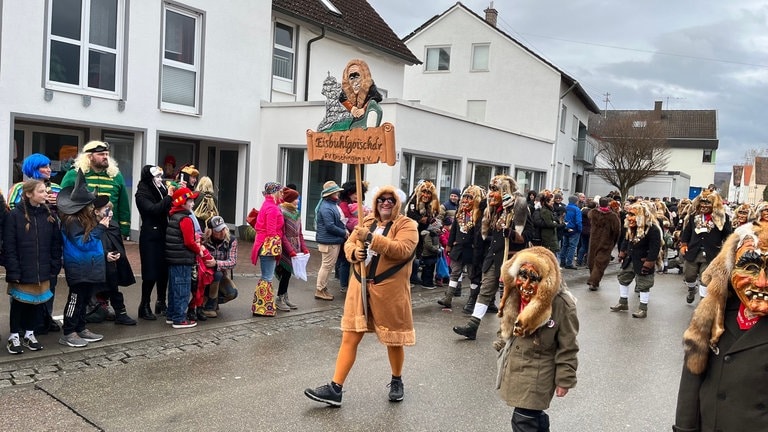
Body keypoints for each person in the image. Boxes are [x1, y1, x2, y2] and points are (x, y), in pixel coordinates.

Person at [304, 186, 418, 407]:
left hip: (389, 292)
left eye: (390, 200)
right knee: (350, 336)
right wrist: (353, 253)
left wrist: (372, 240)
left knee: (393, 340)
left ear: (397, 203)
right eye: (381, 199)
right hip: (360, 288)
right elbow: (349, 243)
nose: (386, 203)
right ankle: (335, 388)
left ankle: (396, 380)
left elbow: (403, 249)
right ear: (375, 202)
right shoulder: (365, 222)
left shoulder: (407, 225)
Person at [673, 221, 768, 431]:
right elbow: (691, 379)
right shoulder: (714, 313)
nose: (761, 282)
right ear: (731, 266)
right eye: (750, 267)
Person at [495, 246, 579, 432]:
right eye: (522, 275)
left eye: (533, 278)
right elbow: (507, 325)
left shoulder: (561, 305)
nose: (525, 284)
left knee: (523, 419)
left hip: (539, 373)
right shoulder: (514, 296)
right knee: (531, 417)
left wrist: (565, 378)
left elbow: (568, 346)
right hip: (516, 366)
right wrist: (502, 339)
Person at [453, 175, 533, 340]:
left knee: (510, 296)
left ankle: (508, 331)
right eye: (490, 189)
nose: (491, 193)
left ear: (505, 191)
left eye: (495, 190)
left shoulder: (520, 208)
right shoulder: (494, 209)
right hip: (493, 257)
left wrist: (511, 233)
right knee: (485, 291)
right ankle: (472, 326)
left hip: (511, 259)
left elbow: (529, 235)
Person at [3, 180, 62, 354]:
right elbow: (9, 246)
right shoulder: (14, 215)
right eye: (42, 192)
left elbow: (55, 244)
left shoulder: (49, 215)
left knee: (36, 303)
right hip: (22, 270)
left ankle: (30, 334)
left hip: (42, 270)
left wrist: (54, 264)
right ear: (29, 194)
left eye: (46, 191)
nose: (46, 195)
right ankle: (14, 336)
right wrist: (13, 270)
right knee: (19, 304)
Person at [57, 170, 110, 347]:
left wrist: (105, 255)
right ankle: (69, 331)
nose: (91, 206)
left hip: (90, 266)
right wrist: (100, 228)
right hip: (78, 267)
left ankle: (80, 328)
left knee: (84, 299)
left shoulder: (87, 219)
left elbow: (93, 244)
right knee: (75, 299)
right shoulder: (72, 221)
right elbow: (83, 243)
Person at [60, 141, 131, 237]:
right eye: (101, 154)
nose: (105, 157)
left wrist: (124, 229)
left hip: (110, 228)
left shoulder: (116, 176)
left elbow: (123, 204)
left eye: (106, 154)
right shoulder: (73, 174)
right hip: (83, 228)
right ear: (89, 157)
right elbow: (64, 202)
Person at [609, 202, 662, 318]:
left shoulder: (653, 229)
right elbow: (626, 240)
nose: (628, 217)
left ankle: (643, 309)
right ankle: (623, 303)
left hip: (643, 260)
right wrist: (622, 252)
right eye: (628, 214)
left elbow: (655, 248)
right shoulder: (631, 227)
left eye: (632, 214)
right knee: (623, 278)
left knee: (644, 284)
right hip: (630, 258)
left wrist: (649, 262)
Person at [135, 165, 174, 319]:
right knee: (150, 272)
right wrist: (169, 197)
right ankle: (144, 305)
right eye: (156, 177)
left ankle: (161, 302)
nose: (160, 180)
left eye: (160, 177)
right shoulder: (142, 193)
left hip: (164, 234)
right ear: (149, 178)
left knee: (163, 271)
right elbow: (153, 209)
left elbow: (168, 206)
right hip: (150, 236)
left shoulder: (162, 189)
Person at [166, 187, 209, 329]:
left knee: (173, 288)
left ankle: (171, 315)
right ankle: (179, 318)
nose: (192, 203)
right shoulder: (185, 219)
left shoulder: (174, 216)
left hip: (174, 258)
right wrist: (199, 250)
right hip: (183, 258)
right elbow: (189, 241)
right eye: (190, 200)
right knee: (182, 289)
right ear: (183, 203)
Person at [679, 190, 732, 304]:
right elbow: (687, 232)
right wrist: (683, 244)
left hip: (711, 253)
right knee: (689, 276)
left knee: (705, 279)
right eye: (702, 202)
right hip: (693, 251)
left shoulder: (723, 218)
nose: (704, 205)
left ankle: (702, 302)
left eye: (707, 203)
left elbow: (728, 235)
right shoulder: (694, 216)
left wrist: (726, 251)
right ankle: (692, 289)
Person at [438, 185, 484, 310]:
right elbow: (453, 230)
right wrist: (448, 245)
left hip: (472, 250)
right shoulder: (460, 212)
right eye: (464, 197)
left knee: (472, 275)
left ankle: (472, 300)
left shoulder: (479, 214)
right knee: (455, 273)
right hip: (458, 248)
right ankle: (448, 298)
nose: (465, 201)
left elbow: (480, 234)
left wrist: (477, 249)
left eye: (469, 198)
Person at [94, 200, 137, 325]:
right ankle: (96, 310)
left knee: (114, 287)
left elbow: (117, 243)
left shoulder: (113, 225)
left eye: (111, 209)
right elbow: (92, 244)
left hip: (112, 264)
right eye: (107, 210)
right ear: (96, 212)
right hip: (97, 264)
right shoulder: (92, 226)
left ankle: (120, 313)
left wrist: (118, 254)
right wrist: (104, 254)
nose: (111, 213)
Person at [251, 182, 286, 315]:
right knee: (267, 277)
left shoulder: (269, 205)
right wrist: (276, 246)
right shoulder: (272, 208)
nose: (282, 194)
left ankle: (262, 306)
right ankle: (263, 308)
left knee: (266, 276)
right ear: (275, 192)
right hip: (267, 245)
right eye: (281, 191)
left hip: (263, 244)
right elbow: (271, 231)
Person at [274, 188, 309, 312]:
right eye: (296, 199)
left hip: (295, 247)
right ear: (289, 200)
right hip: (285, 248)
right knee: (285, 273)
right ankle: (279, 298)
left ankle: (284, 296)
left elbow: (299, 233)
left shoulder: (297, 213)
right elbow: (282, 234)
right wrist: (289, 250)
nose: (298, 201)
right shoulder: (282, 212)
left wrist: (304, 247)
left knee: (288, 274)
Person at [325, 58, 383, 131]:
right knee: (334, 127)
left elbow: (376, 98)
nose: (355, 82)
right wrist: (352, 108)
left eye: (357, 77)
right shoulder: (347, 90)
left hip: (364, 121)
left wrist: (364, 109)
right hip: (353, 121)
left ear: (364, 76)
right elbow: (342, 98)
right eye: (351, 78)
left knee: (373, 105)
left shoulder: (370, 87)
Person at [405, 180, 443, 286]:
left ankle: (413, 276)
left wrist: (432, 221)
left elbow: (434, 214)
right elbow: (410, 214)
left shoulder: (431, 203)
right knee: (409, 254)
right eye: (424, 192)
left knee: (418, 254)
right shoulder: (414, 200)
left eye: (428, 193)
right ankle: (407, 277)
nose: (425, 195)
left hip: (422, 232)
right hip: (411, 231)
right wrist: (422, 219)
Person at [314, 181, 346, 301]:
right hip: (329, 241)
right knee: (327, 266)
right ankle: (320, 289)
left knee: (328, 265)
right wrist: (344, 233)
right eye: (336, 192)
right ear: (330, 194)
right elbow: (330, 226)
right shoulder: (327, 207)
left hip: (332, 240)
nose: (338, 193)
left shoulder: (330, 204)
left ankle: (322, 288)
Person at [201, 215, 238, 317]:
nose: (222, 232)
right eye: (218, 230)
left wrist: (216, 263)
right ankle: (208, 306)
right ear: (211, 231)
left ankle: (211, 301)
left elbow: (233, 262)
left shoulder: (231, 240)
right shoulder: (204, 240)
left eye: (223, 228)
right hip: (204, 275)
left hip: (221, 274)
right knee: (216, 274)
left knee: (232, 293)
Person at [338, 181, 368, 293]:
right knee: (345, 261)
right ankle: (344, 285)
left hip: (356, 235)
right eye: (355, 193)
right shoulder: (344, 205)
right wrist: (361, 224)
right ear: (348, 193)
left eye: (359, 193)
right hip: (347, 236)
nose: (357, 196)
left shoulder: (357, 204)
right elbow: (347, 220)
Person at [586, 197, 621, 291]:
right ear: (608, 204)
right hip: (606, 241)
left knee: (592, 261)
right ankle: (594, 281)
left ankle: (594, 279)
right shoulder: (613, 216)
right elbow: (617, 230)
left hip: (594, 241)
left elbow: (589, 215)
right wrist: (614, 241)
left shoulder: (593, 213)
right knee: (601, 263)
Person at [559, 195, 582, 269]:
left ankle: (562, 262)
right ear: (576, 201)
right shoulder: (577, 209)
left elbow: (562, 218)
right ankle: (569, 263)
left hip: (565, 229)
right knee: (572, 247)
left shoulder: (565, 208)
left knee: (564, 246)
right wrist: (579, 230)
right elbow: (578, 221)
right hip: (574, 230)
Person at [418, 219, 442, 289]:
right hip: (428, 255)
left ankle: (429, 282)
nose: (440, 230)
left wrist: (439, 247)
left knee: (431, 269)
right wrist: (436, 249)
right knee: (428, 270)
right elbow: (428, 245)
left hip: (433, 255)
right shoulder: (429, 234)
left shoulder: (435, 235)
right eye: (439, 228)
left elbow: (437, 243)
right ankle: (426, 283)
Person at [538, 192, 561, 256]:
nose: (553, 202)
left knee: (552, 253)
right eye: (551, 201)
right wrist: (558, 225)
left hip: (550, 235)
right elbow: (549, 223)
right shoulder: (546, 211)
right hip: (548, 236)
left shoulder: (549, 210)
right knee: (550, 254)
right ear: (547, 202)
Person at [575, 199, 594, 266]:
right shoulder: (593, 213)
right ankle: (588, 262)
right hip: (591, 231)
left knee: (583, 246)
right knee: (590, 247)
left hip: (583, 231)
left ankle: (579, 261)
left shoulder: (582, 211)